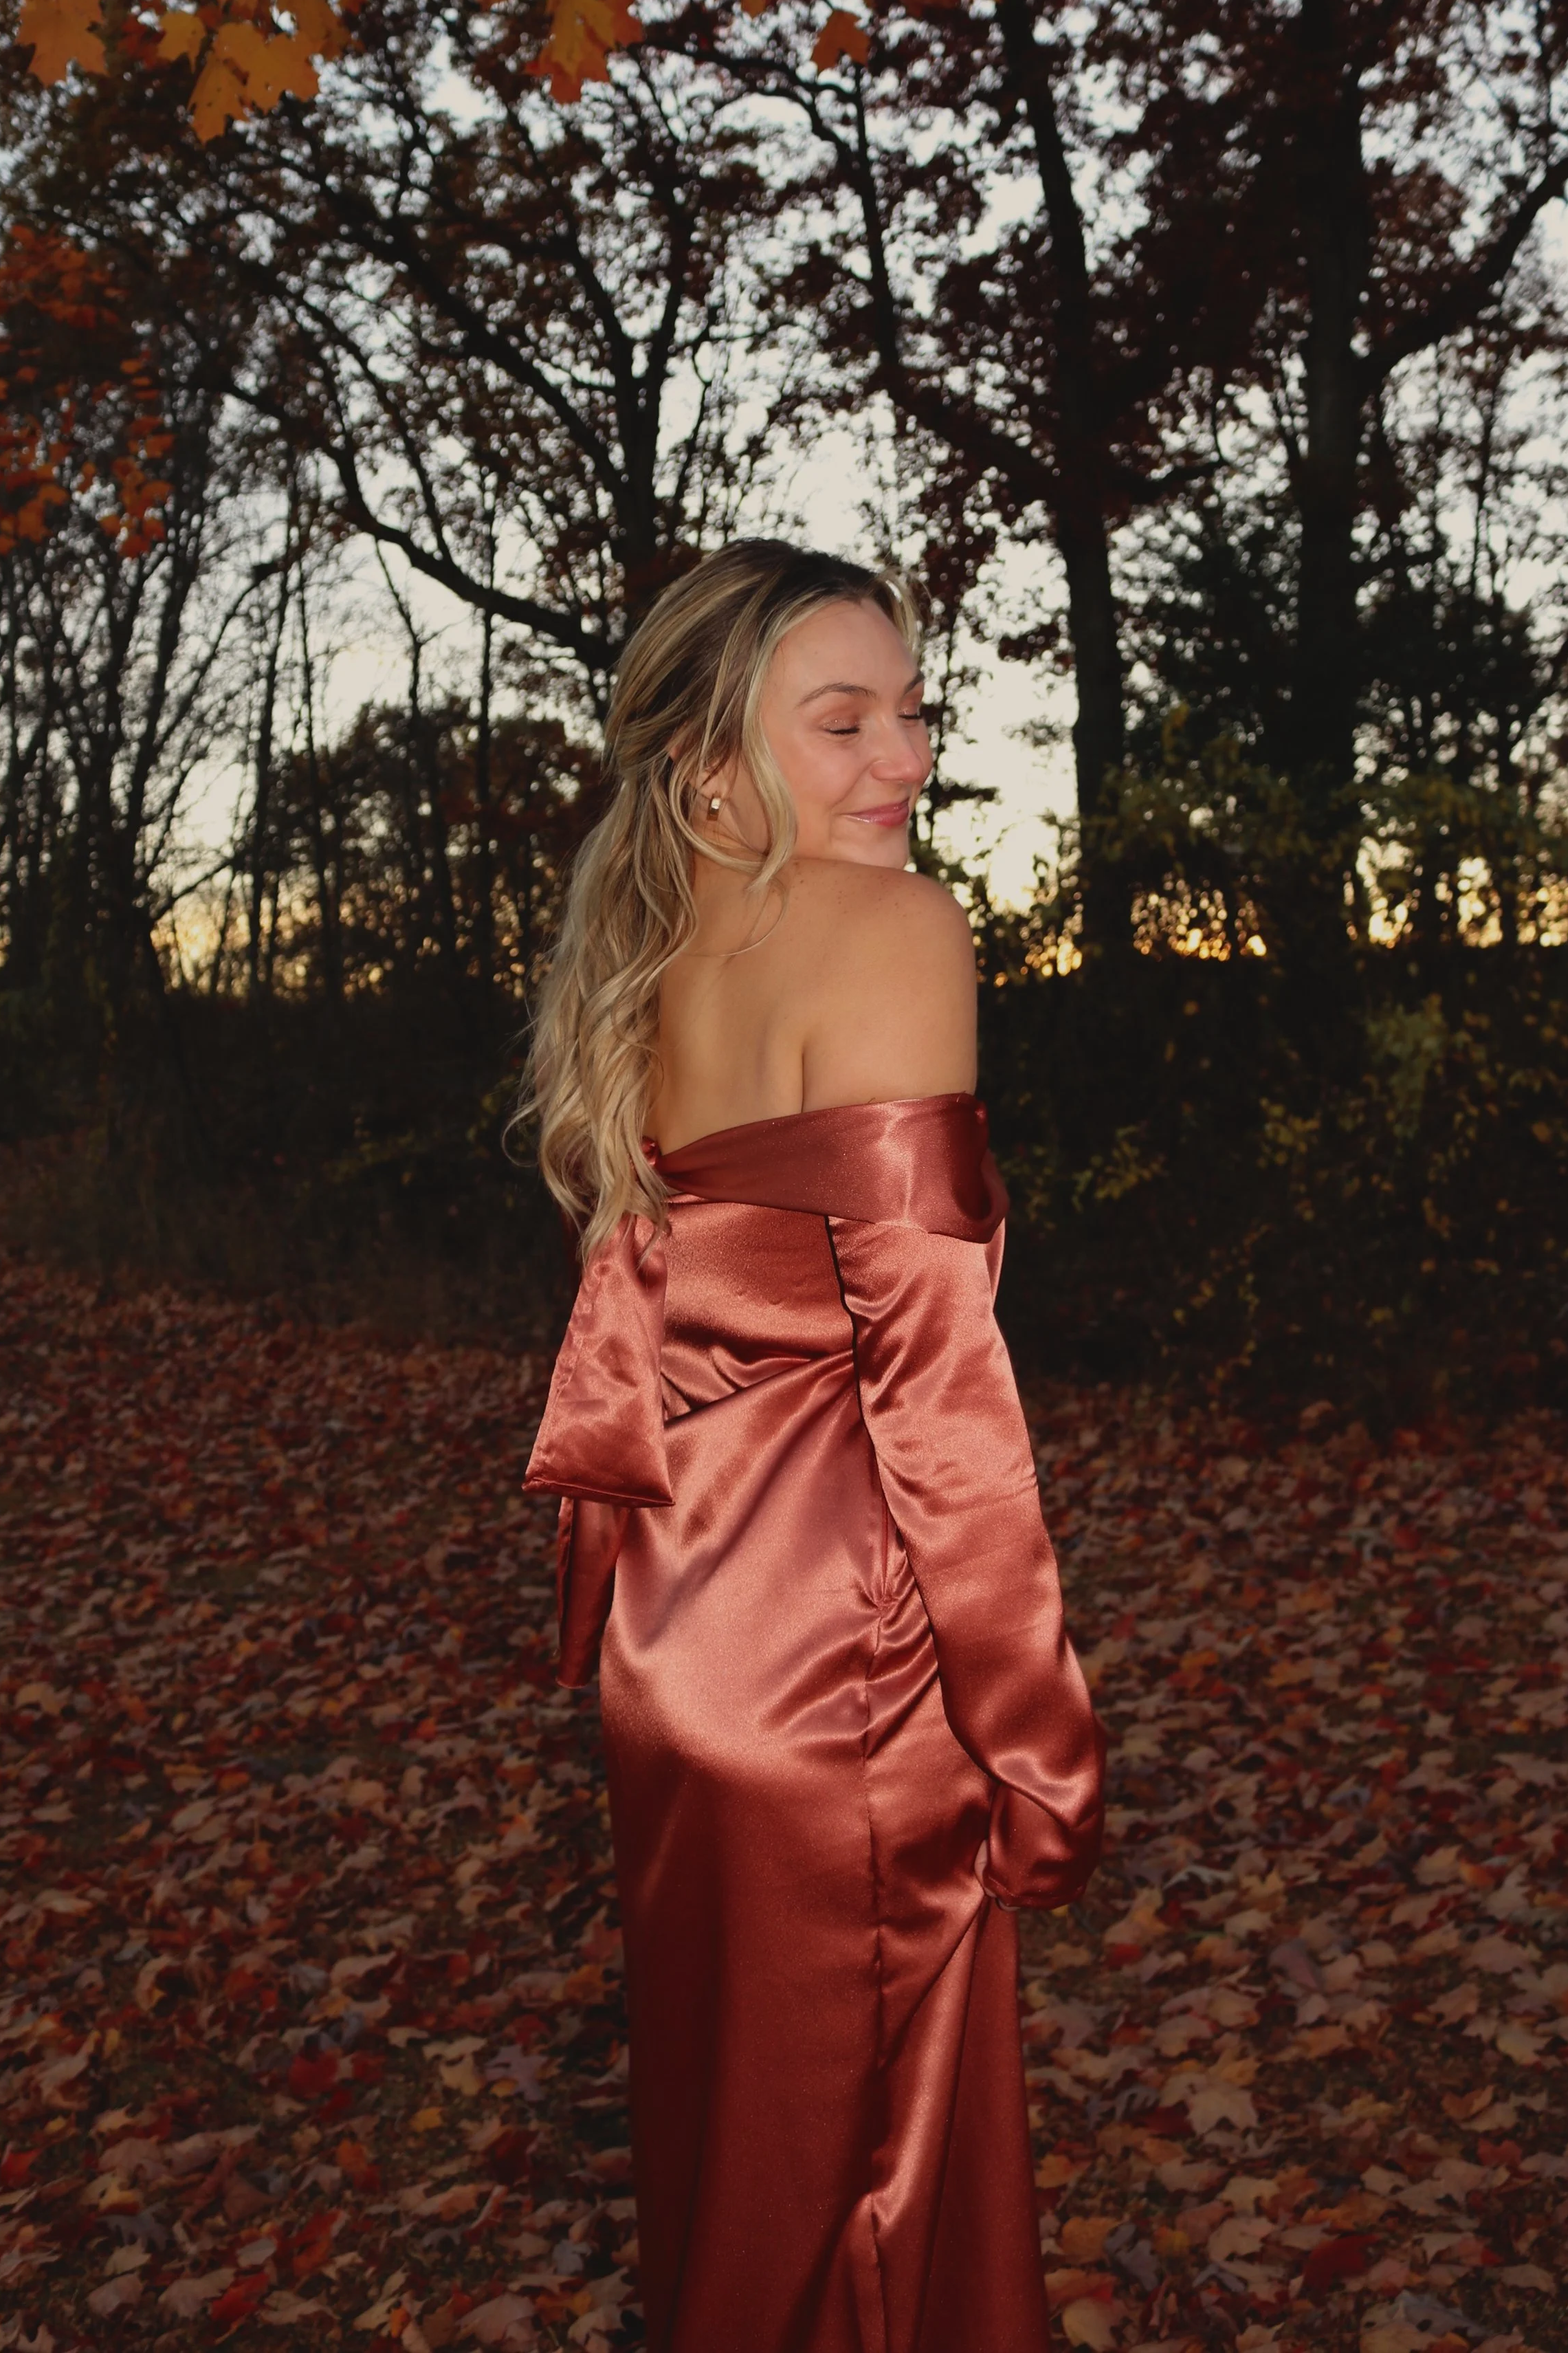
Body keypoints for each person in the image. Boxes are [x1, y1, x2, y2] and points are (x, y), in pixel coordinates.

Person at [521, 540, 1105, 2353]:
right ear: (707, 768)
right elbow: (935, 1380)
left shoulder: (657, 965)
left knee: (750, 2161)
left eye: (914, 713)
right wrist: (1031, 1720)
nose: (904, 758)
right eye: (838, 719)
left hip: (673, 1640)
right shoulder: (901, 931)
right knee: (875, 2187)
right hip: (843, 1657)